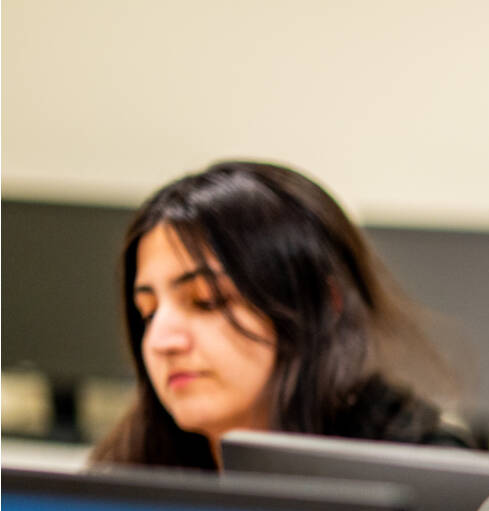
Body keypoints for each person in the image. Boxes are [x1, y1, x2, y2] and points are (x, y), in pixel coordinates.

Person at [89, 160, 468, 470]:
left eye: (206, 301)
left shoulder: (424, 478)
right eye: (148, 312)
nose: (160, 341)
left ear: (320, 304)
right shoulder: (125, 481)